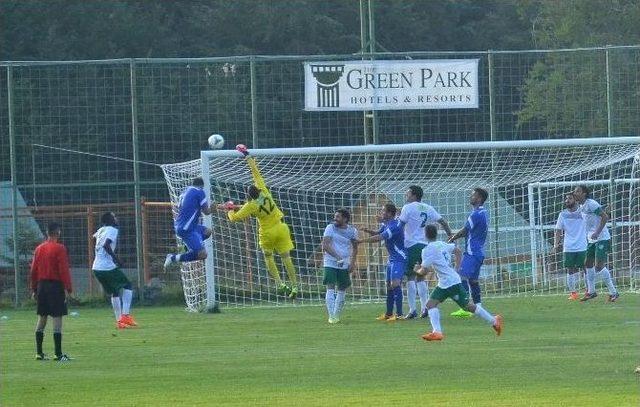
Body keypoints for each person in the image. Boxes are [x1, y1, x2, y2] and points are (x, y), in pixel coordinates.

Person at [219, 144, 299, 299]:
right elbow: (255, 173)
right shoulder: (264, 191)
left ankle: (280, 283)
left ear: (248, 195)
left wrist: (229, 208)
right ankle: (295, 286)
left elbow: (234, 218)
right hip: (281, 227)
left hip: (267, 232)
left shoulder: (251, 206)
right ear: (258, 190)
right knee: (286, 257)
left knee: (269, 257)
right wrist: (247, 155)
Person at [417, 224, 503, 341]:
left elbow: (424, 271)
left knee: (468, 306)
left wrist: (415, 271)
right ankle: (437, 332)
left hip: (451, 283)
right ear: (436, 234)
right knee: (430, 305)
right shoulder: (442, 244)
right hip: (445, 282)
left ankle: (494, 320)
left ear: (425, 235)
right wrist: (457, 268)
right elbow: (457, 250)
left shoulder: (427, 250)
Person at [398, 185, 452, 319]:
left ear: (414, 195)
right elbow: (443, 222)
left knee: (410, 277)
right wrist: (450, 236)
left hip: (411, 245)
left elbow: (400, 226)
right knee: (420, 277)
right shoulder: (428, 208)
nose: (406, 195)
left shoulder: (407, 208)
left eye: (408, 193)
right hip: (425, 246)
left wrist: (397, 241)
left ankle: (412, 310)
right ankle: (425, 308)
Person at [30, 222, 73, 361]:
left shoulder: (39, 248)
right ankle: (58, 354)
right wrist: (68, 288)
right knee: (57, 317)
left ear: (47, 233)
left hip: (42, 285)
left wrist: (34, 288)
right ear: (58, 232)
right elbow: (63, 270)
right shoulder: (60, 248)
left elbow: (33, 270)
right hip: (55, 286)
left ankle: (39, 353)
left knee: (42, 317)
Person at [359, 203, 407, 322]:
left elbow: (380, 237)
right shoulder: (386, 224)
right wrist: (367, 230)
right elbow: (377, 233)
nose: (381, 213)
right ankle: (389, 314)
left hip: (399, 258)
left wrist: (361, 241)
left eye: (383, 211)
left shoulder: (395, 226)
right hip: (392, 258)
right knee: (389, 286)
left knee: (395, 284)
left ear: (390, 213)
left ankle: (400, 314)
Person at [573, 185, 619, 302]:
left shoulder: (591, 203)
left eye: (578, 191)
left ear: (584, 193)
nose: (575, 193)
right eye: (575, 191)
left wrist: (597, 232)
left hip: (601, 237)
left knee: (598, 266)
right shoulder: (581, 206)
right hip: (591, 239)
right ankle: (591, 292)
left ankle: (614, 292)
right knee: (587, 263)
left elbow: (605, 216)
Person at [448, 187, 489, 318]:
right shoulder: (483, 213)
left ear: (480, 198)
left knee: (460, 277)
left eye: (473, 195)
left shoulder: (475, 214)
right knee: (473, 281)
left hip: (472, 253)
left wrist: (452, 238)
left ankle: (465, 308)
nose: (471, 197)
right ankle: (479, 306)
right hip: (479, 253)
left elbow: (465, 230)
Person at [93, 212, 137, 329]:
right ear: (110, 220)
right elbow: (106, 245)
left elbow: (96, 238)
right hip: (106, 266)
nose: (116, 218)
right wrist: (116, 259)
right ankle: (125, 315)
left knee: (115, 291)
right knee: (127, 285)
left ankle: (119, 322)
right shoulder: (112, 229)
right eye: (114, 217)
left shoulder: (101, 229)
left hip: (96, 267)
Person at [164, 177, 214, 268]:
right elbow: (206, 212)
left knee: (208, 231)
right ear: (201, 186)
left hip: (186, 225)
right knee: (203, 254)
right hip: (187, 229)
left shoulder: (184, 192)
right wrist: (213, 208)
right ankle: (173, 258)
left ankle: (187, 247)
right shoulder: (199, 191)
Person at [322, 208, 358, 324]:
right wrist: (337, 257)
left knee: (342, 288)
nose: (335, 219)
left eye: (338, 217)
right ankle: (331, 316)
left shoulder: (352, 231)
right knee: (330, 286)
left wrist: (352, 263)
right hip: (330, 262)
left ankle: (336, 315)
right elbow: (325, 245)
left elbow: (355, 248)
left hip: (345, 263)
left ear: (345, 219)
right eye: (335, 216)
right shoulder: (330, 228)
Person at [553, 194, 587, 300]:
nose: (567, 200)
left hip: (582, 246)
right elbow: (558, 230)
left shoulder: (583, 211)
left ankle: (588, 290)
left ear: (576, 201)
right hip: (568, 247)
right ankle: (573, 293)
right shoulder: (562, 214)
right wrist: (556, 244)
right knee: (570, 270)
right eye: (566, 199)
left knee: (586, 268)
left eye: (570, 198)